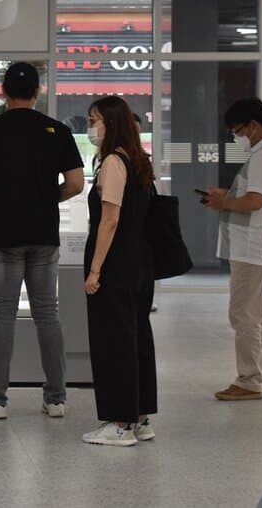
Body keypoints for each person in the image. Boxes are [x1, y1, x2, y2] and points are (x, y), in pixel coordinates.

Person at [0, 62, 85, 420]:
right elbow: (76, 183)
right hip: (44, 237)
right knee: (47, 314)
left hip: (5, 236)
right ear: (38, 91)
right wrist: (46, 199)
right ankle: (56, 399)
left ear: (4, 91)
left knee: (3, 316)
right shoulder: (57, 130)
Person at [81, 96, 157, 447]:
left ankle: (120, 423)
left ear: (110, 124)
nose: (90, 128)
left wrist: (95, 270)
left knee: (114, 341)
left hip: (116, 263)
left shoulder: (113, 162)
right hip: (140, 261)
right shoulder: (139, 160)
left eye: (93, 121)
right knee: (137, 337)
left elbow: (109, 220)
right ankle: (140, 417)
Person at [203, 97, 262, 401]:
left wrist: (224, 202)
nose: (236, 138)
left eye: (237, 131)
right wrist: (227, 195)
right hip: (257, 248)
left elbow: (255, 201)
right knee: (258, 315)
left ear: (253, 126)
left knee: (244, 315)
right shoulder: (260, 154)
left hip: (252, 249)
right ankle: (261, 376)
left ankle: (249, 379)